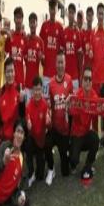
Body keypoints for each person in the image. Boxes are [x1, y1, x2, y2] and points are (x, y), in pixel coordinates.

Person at [45, 51, 74, 184]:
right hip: (54, 128)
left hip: (65, 130)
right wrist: (48, 117)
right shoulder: (50, 83)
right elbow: (49, 105)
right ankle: (51, 169)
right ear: (55, 64)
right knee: (46, 143)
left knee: (66, 172)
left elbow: (73, 103)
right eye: (58, 62)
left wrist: (70, 101)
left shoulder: (69, 80)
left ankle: (67, 153)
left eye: (62, 62)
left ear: (65, 63)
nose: (60, 65)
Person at [69, 67, 100, 180]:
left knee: (96, 139)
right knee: (73, 162)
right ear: (82, 80)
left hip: (86, 133)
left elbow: (98, 114)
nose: (88, 81)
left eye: (90, 79)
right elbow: (71, 112)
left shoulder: (94, 96)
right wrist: (79, 106)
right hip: (76, 135)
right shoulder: (77, 95)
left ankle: (88, 164)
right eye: (86, 79)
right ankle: (71, 153)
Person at [0, 58, 24, 149]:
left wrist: (22, 102)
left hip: (16, 141)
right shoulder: (1, 93)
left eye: (12, 71)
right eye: (8, 72)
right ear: (4, 73)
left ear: (15, 72)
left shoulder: (20, 91)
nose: (10, 74)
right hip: (3, 140)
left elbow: (23, 118)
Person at [26, 77, 50, 187]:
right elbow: (27, 119)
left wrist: (48, 122)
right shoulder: (28, 105)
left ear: (42, 90)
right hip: (32, 139)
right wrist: (28, 123)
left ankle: (42, 161)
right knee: (28, 143)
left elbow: (49, 125)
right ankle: (30, 172)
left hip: (41, 140)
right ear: (32, 90)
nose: (37, 92)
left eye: (39, 90)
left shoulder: (45, 104)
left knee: (40, 176)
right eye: (35, 90)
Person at [91, 3, 104, 135]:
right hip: (94, 80)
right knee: (94, 110)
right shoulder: (93, 33)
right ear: (96, 15)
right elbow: (89, 52)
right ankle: (94, 135)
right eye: (99, 13)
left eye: (102, 13)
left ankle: (103, 137)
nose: (101, 16)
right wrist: (89, 52)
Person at [40, 0, 65, 96]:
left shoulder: (60, 27)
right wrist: (42, 57)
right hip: (46, 73)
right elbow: (40, 46)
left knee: (56, 100)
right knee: (46, 99)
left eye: (54, 9)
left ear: (57, 10)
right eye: (51, 9)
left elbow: (63, 48)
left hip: (57, 74)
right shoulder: (44, 26)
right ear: (49, 9)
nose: (52, 12)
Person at [24, 12, 44, 102]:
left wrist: (41, 58)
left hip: (36, 84)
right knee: (27, 107)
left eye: (34, 22)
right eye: (31, 22)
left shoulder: (40, 41)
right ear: (29, 24)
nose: (32, 25)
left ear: (36, 24)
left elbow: (43, 63)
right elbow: (23, 58)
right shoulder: (26, 40)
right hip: (27, 84)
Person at [5, 7, 26, 91]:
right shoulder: (10, 36)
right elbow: (5, 53)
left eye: (20, 18)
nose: (18, 20)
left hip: (21, 81)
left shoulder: (25, 38)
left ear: (22, 19)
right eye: (17, 17)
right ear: (14, 19)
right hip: (11, 79)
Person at [64, 3, 83, 90]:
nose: (71, 15)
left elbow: (80, 57)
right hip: (65, 76)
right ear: (67, 14)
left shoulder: (77, 32)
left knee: (75, 98)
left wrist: (80, 76)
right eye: (70, 12)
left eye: (72, 13)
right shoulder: (64, 31)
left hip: (75, 77)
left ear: (74, 15)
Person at [82, 6, 95, 70]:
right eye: (88, 15)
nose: (89, 18)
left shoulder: (95, 33)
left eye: (91, 16)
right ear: (86, 17)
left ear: (93, 18)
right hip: (85, 67)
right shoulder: (83, 33)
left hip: (93, 68)